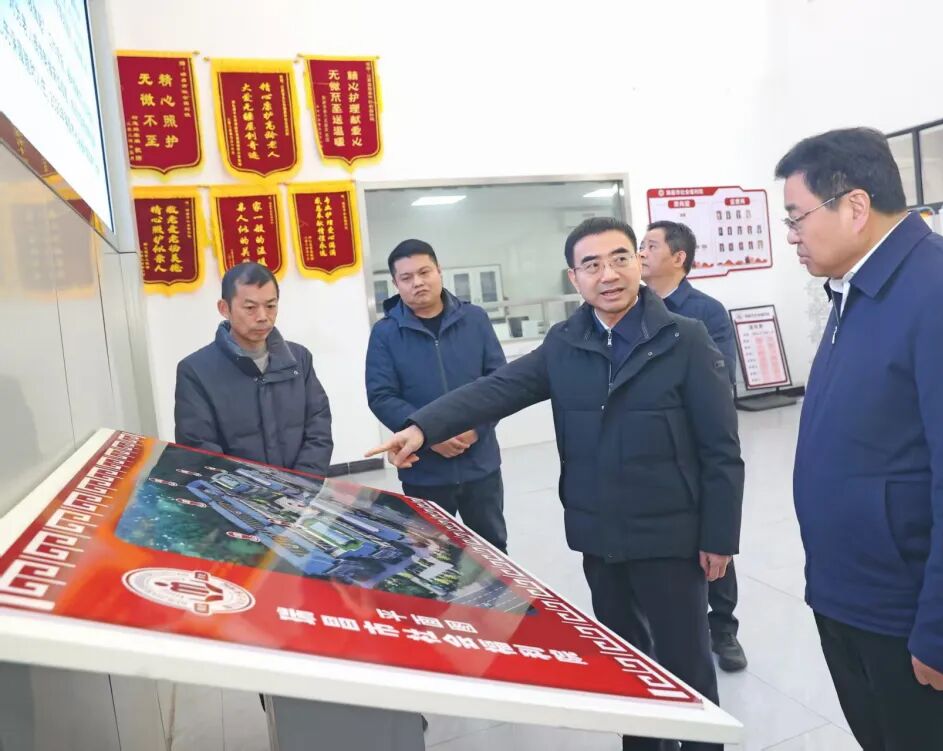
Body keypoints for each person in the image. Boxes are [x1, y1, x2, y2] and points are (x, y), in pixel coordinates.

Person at [369, 217, 744, 751]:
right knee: (628, 664)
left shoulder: (684, 338)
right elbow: (497, 389)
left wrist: (719, 536)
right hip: (600, 534)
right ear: (574, 278)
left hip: (670, 536)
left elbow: (721, 448)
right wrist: (422, 427)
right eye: (592, 265)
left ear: (638, 263)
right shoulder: (565, 343)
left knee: (686, 665)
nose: (608, 274)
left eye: (619, 258)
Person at [776, 127, 943, 751]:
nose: (791, 235)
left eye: (797, 216)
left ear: (855, 207)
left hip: (913, 618)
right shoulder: (857, 290)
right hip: (852, 599)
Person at [639, 220, 746, 673]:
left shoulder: (706, 312)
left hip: (696, 447)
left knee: (713, 537)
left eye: (650, 246)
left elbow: (720, 381)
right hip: (650, 451)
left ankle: (722, 628)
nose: (641, 253)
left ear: (678, 257)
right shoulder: (632, 308)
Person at [366, 239, 509, 552]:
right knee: (430, 556)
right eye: (406, 277)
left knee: (492, 552)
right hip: (424, 470)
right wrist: (429, 433)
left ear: (439, 271)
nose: (417, 282)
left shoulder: (475, 319)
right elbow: (381, 396)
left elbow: (500, 383)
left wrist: (476, 429)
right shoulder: (385, 333)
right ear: (396, 284)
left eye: (424, 272)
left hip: (480, 464)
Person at [174, 262, 333, 476]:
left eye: (271, 306)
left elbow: (319, 428)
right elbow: (200, 450)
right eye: (250, 308)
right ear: (224, 308)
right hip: (235, 494)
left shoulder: (299, 359)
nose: (262, 316)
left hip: (301, 489)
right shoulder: (195, 371)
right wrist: (251, 492)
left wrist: (302, 483)